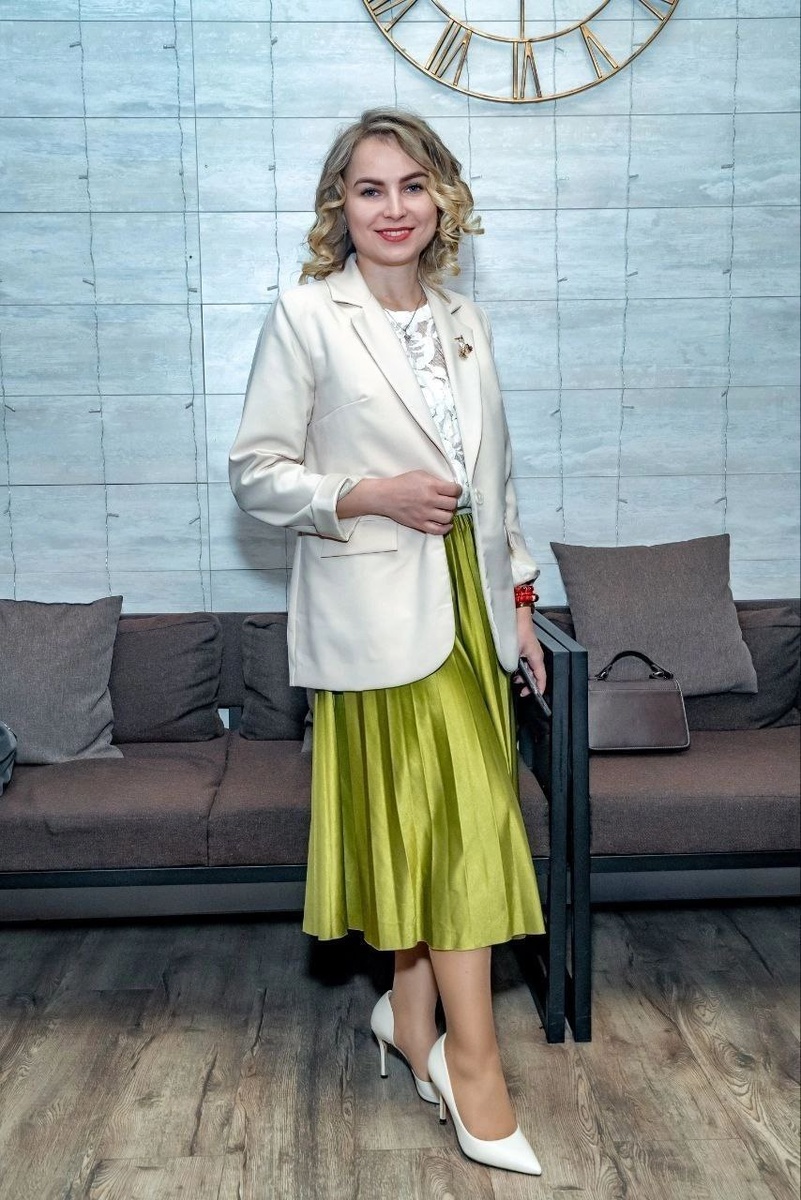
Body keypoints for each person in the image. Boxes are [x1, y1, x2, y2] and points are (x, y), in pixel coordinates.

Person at [229, 108, 547, 1177]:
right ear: (341, 206)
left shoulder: (464, 319)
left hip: (471, 604)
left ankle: (409, 1022)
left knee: (445, 821)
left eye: (413, 185)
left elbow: (498, 478)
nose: (394, 207)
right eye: (371, 189)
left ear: (443, 199)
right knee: (454, 826)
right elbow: (257, 473)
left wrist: (519, 600)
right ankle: (475, 1067)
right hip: (375, 612)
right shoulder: (306, 315)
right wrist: (367, 492)